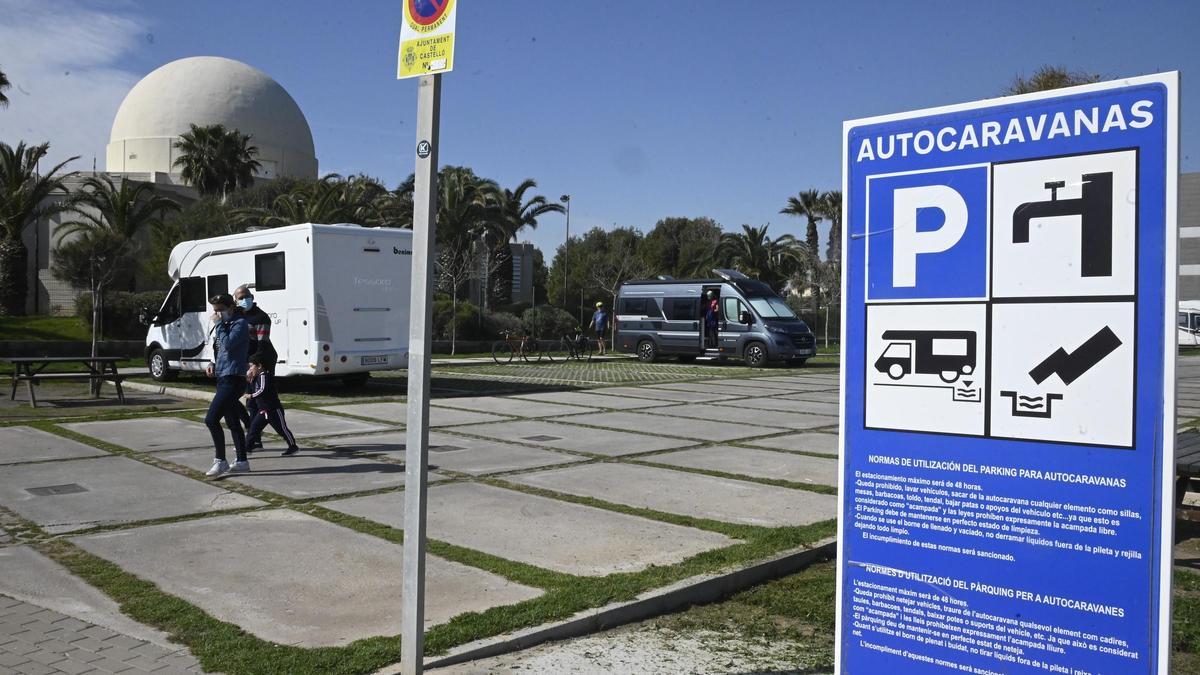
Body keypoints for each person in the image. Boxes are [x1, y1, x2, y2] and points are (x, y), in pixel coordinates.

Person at [204, 294, 251, 478]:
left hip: (234, 379)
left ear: (231, 307)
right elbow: (220, 349)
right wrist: (212, 363)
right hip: (223, 375)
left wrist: (218, 324)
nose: (217, 313)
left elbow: (229, 344)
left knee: (211, 419)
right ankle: (241, 461)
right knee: (232, 421)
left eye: (220, 309)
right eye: (215, 310)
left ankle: (220, 460)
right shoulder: (224, 325)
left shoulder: (240, 324)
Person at [234, 284, 277, 449]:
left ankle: (253, 439)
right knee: (250, 402)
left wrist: (255, 364)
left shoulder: (261, 318)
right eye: (241, 298)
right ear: (235, 301)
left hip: (262, 361)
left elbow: (262, 344)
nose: (245, 300)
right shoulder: (237, 316)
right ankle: (254, 438)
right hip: (245, 362)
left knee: (262, 403)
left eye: (247, 296)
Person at [243, 353, 299, 457]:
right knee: (253, 429)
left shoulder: (264, 375)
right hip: (262, 410)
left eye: (251, 366)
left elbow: (262, 390)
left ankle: (293, 446)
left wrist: (251, 396)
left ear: (259, 366)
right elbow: (253, 386)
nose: (250, 368)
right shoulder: (255, 377)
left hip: (273, 410)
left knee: (282, 429)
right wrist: (249, 379)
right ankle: (246, 449)